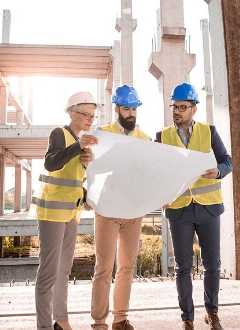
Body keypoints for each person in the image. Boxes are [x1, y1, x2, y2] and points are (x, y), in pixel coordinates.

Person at [155, 83, 233, 330]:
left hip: (208, 207)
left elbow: (227, 161)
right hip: (179, 210)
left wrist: (218, 171)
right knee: (183, 267)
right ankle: (187, 318)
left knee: (212, 264)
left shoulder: (209, 132)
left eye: (182, 107)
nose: (176, 111)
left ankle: (212, 312)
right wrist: (160, 194)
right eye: (174, 106)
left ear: (194, 109)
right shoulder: (162, 136)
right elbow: (156, 172)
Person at [33, 91, 99, 330]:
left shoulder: (80, 142)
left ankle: (61, 320)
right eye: (86, 114)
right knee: (48, 274)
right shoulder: (59, 133)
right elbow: (51, 163)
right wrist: (78, 147)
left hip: (71, 214)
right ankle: (43, 326)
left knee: (63, 272)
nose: (90, 119)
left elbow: (71, 181)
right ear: (72, 112)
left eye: (93, 116)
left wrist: (85, 194)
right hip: (51, 214)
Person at [90, 85, 150, 330]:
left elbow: (150, 173)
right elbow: (90, 168)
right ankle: (99, 322)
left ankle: (120, 319)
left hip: (133, 211)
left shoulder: (144, 139)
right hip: (107, 209)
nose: (131, 114)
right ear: (117, 109)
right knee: (103, 267)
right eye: (127, 108)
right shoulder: (102, 134)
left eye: (134, 109)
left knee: (126, 267)